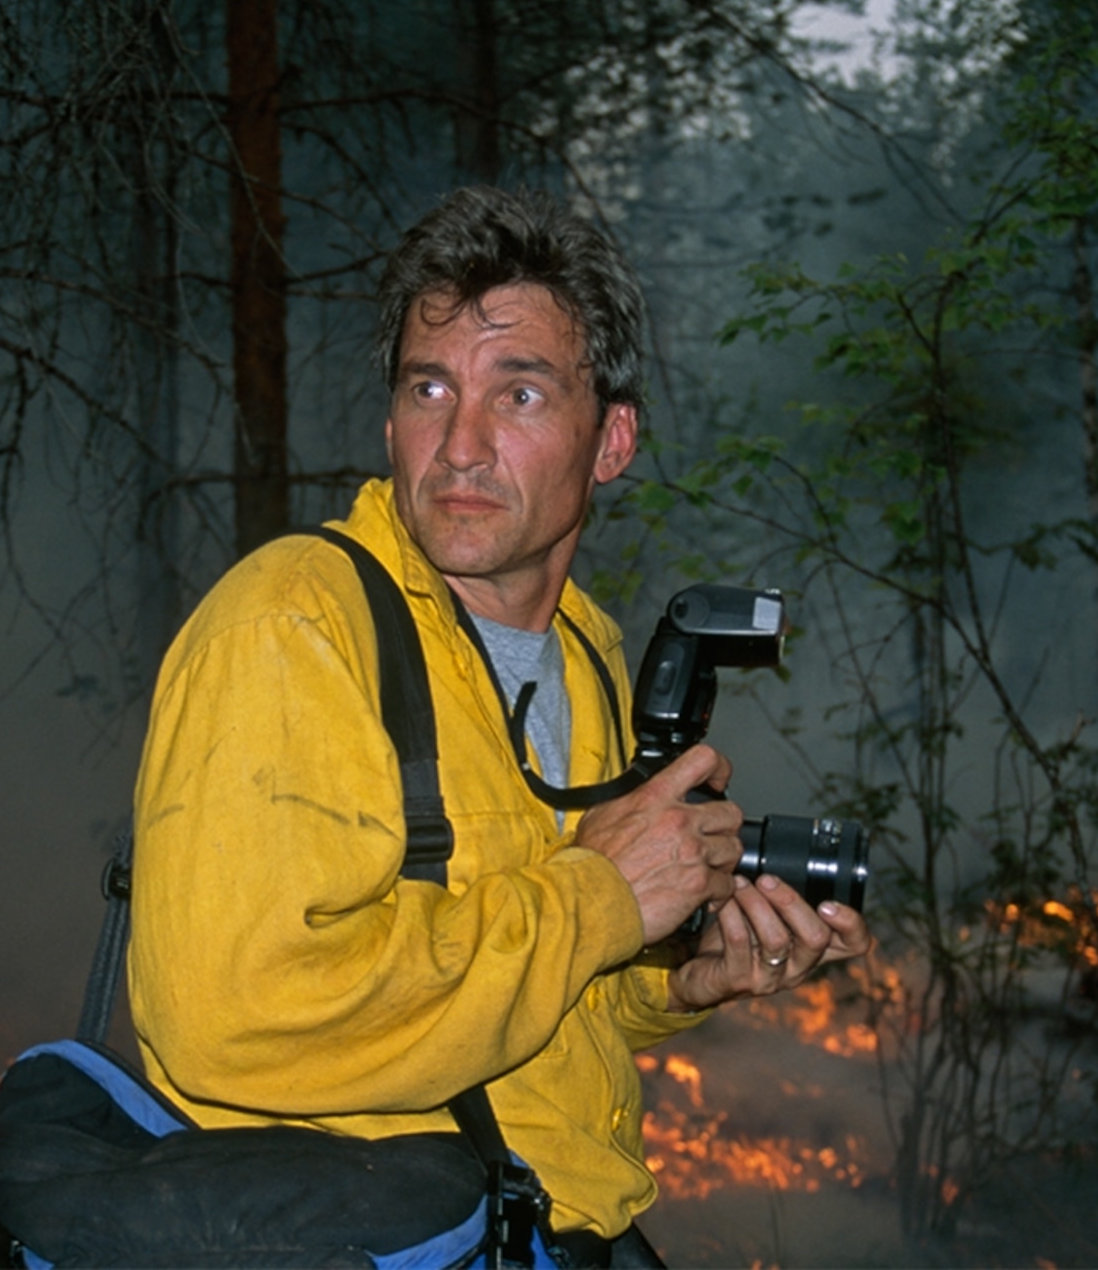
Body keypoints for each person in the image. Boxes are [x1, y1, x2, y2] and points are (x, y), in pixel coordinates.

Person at [126, 187, 872, 1269]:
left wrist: (679, 980)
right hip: (374, 1243)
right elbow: (231, 1019)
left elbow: (535, 1009)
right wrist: (600, 894)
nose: (462, 444)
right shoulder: (296, 622)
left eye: (518, 393)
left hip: (552, 1230)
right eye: (431, 389)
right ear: (390, 424)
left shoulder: (585, 651)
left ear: (611, 439)